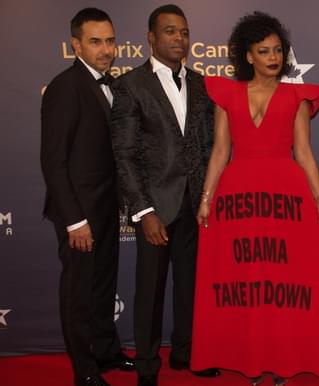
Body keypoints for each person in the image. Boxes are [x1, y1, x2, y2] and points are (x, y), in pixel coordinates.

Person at [190, 11, 319, 386]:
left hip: (285, 196)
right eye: (263, 50)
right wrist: (206, 198)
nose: (273, 57)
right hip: (238, 195)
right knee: (247, 281)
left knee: (283, 284)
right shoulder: (226, 94)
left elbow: (303, 152)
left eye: (277, 50)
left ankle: (283, 360)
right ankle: (251, 360)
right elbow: (220, 151)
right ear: (247, 55)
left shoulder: (297, 95)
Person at [109, 4, 217, 386]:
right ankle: (148, 366)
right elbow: (124, 154)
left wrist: (208, 197)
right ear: (151, 38)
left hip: (194, 205)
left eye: (184, 32)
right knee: (150, 292)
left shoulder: (202, 83)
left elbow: (209, 146)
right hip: (156, 207)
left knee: (191, 287)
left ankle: (188, 354)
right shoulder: (130, 85)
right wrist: (144, 211)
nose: (179, 39)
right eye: (170, 32)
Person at [40, 7, 135, 386]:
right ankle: (85, 371)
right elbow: (54, 160)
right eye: (96, 41)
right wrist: (74, 219)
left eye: (110, 40)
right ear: (75, 44)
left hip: (108, 207)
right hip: (79, 213)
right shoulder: (66, 86)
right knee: (79, 294)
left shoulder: (113, 84)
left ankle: (108, 353)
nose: (106, 49)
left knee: (102, 288)